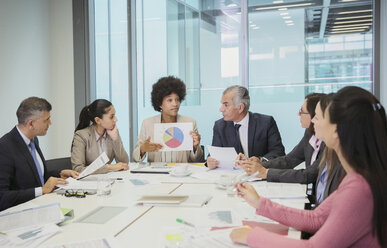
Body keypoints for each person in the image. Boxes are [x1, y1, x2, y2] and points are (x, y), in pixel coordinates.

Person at [230, 87, 387, 247]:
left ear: (336, 130)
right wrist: (259, 203)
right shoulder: (359, 177)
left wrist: (251, 236)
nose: (313, 121)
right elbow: (317, 218)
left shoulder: (359, 188)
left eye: (319, 117)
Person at [0, 97, 79, 211]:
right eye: (46, 120)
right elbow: (2, 197)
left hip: (40, 207)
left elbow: (38, 177)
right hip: (19, 216)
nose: (50, 123)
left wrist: (60, 174)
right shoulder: (4, 147)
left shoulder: (33, 140)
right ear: (31, 124)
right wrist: (41, 190)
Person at [238, 93, 325, 185]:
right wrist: (255, 166)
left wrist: (266, 173)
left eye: (302, 111)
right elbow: (289, 160)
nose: (298, 114)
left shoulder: (329, 142)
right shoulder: (310, 133)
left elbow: (308, 175)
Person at [207, 85, 285, 169]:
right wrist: (209, 161)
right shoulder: (220, 126)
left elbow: (278, 152)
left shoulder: (265, 123)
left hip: (258, 174)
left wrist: (260, 160)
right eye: (222, 104)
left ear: (240, 108)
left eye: (226, 105)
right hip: (231, 175)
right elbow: (215, 153)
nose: (221, 109)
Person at [132, 76, 203, 162]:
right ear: (160, 104)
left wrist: (195, 147)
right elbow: (135, 158)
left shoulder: (190, 122)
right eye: (170, 100)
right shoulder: (147, 123)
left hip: (181, 173)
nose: (175, 104)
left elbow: (196, 159)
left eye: (177, 100)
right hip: (156, 173)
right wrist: (142, 149)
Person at [71, 99, 129, 174]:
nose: (115, 119)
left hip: (108, 181)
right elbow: (78, 169)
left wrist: (116, 139)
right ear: (98, 120)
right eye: (111, 117)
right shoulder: (81, 136)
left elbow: (124, 163)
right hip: (89, 182)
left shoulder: (112, 132)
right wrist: (109, 167)